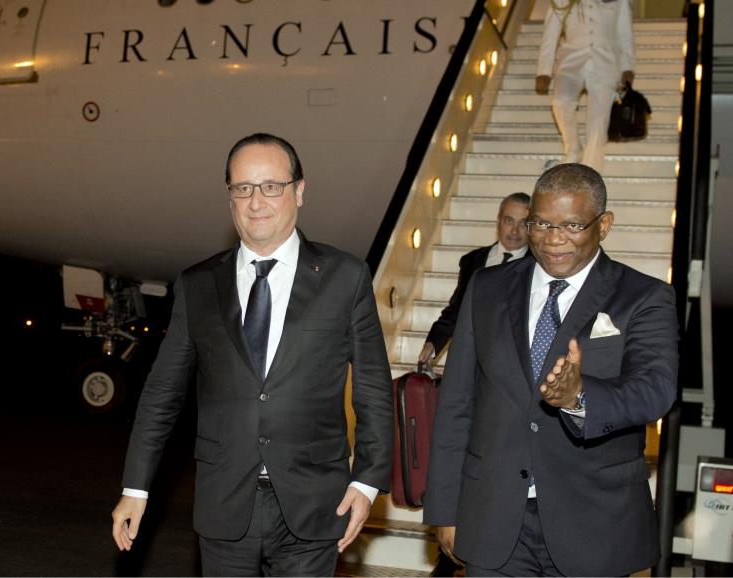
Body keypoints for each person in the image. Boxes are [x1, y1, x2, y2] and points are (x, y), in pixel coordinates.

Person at [110, 133, 393, 576]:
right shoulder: (198, 285)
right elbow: (162, 394)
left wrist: (367, 481)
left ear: (299, 190)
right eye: (242, 188)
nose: (256, 201)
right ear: (230, 198)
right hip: (225, 504)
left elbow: (374, 390)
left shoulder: (345, 277)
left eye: (271, 186)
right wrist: (136, 488)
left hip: (316, 503)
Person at [423, 163, 678, 576]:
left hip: (594, 523)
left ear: (604, 224)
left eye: (572, 225)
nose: (553, 239)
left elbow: (655, 391)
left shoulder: (645, 296)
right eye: (541, 223)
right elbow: (457, 403)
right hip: (494, 516)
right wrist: (445, 508)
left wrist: (579, 398)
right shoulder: (487, 287)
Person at [418, 192, 531, 365]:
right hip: (470, 357)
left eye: (523, 223)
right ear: (499, 220)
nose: (515, 230)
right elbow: (457, 309)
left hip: (512, 362)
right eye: (509, 221)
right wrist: (433, 344)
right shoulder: (472, 260)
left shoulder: (538, 266)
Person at [536, 0, 635, 172]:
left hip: (605, 61)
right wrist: (543, 70)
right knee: (561, 101)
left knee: (598, 121)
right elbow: (550, 32)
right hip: (570, 60)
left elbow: (625, 32)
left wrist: (627, 67)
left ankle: (590, 171)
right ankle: (573, 149)